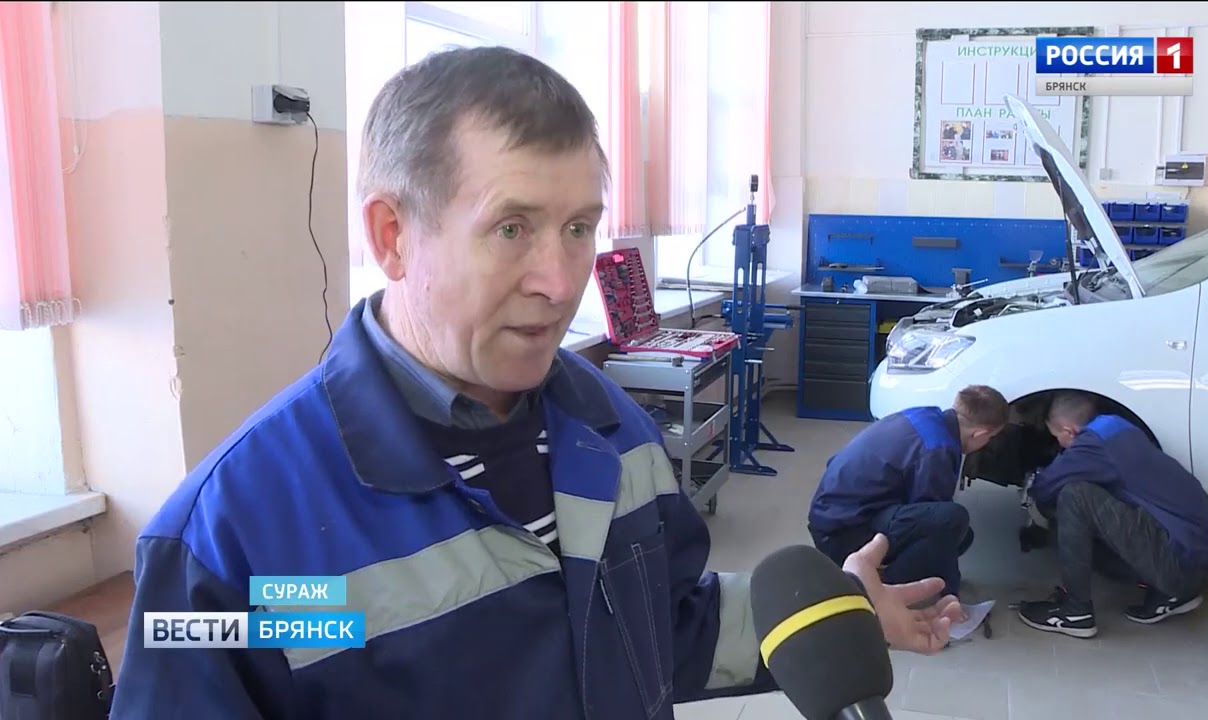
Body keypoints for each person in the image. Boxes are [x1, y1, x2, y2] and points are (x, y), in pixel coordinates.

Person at [109, 47, 962, 719]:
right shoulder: (230, 538)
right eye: (511, 228)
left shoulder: (616, 433)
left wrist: (834, 611)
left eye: (579, 228)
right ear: (393, 235)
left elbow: (659, 628)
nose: (560, 282)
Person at [1017, 391, 1208, 639]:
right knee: (1090, 504)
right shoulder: (1117, 426)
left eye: (1056, 436)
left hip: (1180, 565)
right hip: (1198, 558)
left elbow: (1044, 489)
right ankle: (1171, 594)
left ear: (1069, 431)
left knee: (1075, 496)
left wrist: (1039, 480)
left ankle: (1075, 612)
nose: (1058, 444)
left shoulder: (1092, 446)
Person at [808, 386, 1011, 599]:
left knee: (963, 536)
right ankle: (877, 591)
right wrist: (952, 594)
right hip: (841, 534)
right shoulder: (938, 449)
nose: (988, 443)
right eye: (991, 438)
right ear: (980, 434)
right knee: (953, 520)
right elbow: (940, 524)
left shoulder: (925, 415)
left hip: (834, 515)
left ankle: (881, 573)